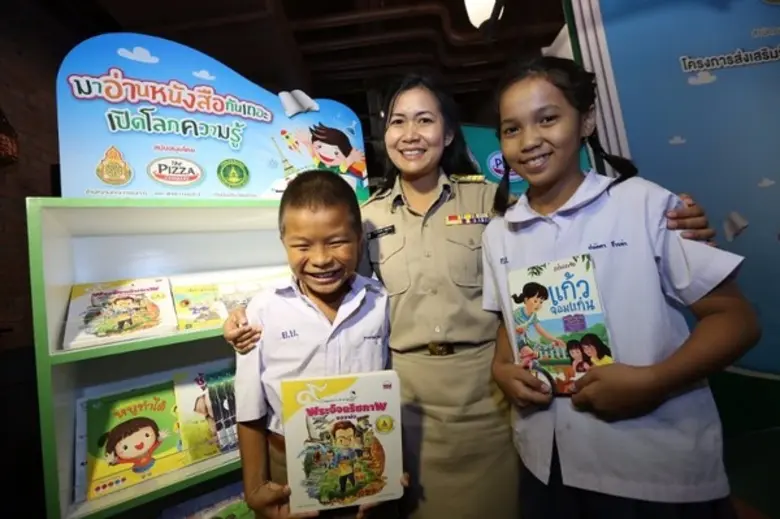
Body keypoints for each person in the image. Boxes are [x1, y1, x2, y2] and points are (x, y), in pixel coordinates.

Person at [225, 74, 716, 519]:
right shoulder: (366, 217)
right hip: (406, 402)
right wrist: (247, 317)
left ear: (448, 133)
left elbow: (560, 231)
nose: (410, 134)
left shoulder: (495, 204)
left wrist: (675, 220)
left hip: (486, 398)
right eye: (398, 121)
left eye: (425, 120)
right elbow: (324, 280)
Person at [483, 55, 761, 519]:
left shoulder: (646, 204)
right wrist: (501, 367)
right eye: (512, 129)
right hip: (545, 467)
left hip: (652, 470)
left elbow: (737, 320)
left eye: (548, 119)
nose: (529, 140)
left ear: (586, 120)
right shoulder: (499, 233)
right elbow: (509, 322)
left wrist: (653, 381)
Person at [234, 169, 404, 519]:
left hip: (365, 457)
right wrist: (254, 486)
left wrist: (393, 464)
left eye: (337, 241)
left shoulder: (380, 302)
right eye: (302, 246)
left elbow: (392, 389)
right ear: (283, 241)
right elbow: (250, 406)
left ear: (359, 239)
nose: (321, 258)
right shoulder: (263, 310)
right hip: (288, 463)